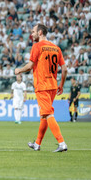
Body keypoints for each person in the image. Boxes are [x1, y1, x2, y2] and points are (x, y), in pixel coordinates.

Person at [15, 23, 68, 152]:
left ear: (40, 33)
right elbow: (65, 69)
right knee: (44, 115)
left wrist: (19, 70)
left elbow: (29, 66)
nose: (31, 34)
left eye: (33, 31)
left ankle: (62, 143)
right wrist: (61, 84)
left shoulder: (37, 46)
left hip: (42, 85)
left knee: (48, 113)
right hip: (53, 86)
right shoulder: (56, 48)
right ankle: (37, 143)